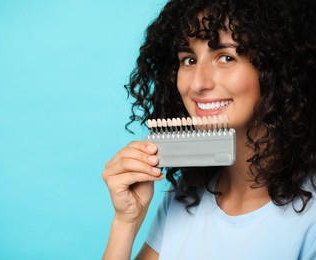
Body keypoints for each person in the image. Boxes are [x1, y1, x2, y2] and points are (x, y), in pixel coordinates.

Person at [102, 0, 316, 259]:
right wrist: (126, 222)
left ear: (280, 69)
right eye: (189, 60)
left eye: (226, 57)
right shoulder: (186, 195)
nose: (197, 83)